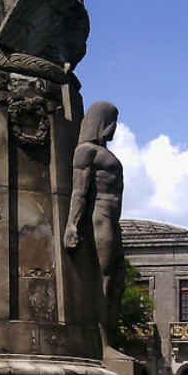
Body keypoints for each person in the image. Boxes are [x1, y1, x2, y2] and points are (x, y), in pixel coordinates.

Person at [64, 101, 124, 347]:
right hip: (99, 218)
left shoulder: (103, 153)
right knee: (105, 277)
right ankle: (102, 342)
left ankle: (108, 337)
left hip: (113, 219)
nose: (114, 128)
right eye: (112, 121)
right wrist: (72, 225)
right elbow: (79, 192)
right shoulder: (86, 151)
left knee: (117, 280)